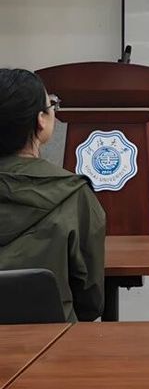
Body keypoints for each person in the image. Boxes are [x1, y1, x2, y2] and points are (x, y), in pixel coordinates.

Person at [0, 68, 105, 322]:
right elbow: (91, 301)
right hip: (52, 339)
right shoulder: (74, 195)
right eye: (52, 105)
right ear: (41, 120)